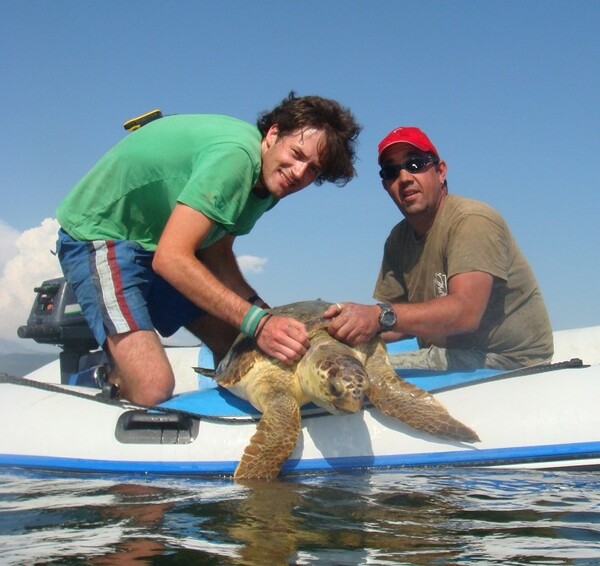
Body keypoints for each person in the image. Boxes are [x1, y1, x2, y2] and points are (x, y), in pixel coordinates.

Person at [56, 93, 361, 404]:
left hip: (159, 242)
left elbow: (217, 253)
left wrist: (269, 316)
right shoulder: (236, 160)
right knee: (153, 387)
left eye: (313, 170)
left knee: (242, 350)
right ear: (272, 134)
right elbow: (171, 259)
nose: (298, 173)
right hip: (102, 234)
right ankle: (109, 375)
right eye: (297, 154)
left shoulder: (268, 185)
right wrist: (260, 323)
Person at [325, 126, 553, 371]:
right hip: (450, 354)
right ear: (385, 186)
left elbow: (466, 313)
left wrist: (376, 316)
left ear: (441, 171)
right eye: (391, 171)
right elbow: (395, 321)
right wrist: (337, 333)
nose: (404, 178)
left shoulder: (473, 220)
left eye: (415, 164)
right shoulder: (397, 239)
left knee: (358, 375)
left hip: (508, 360)